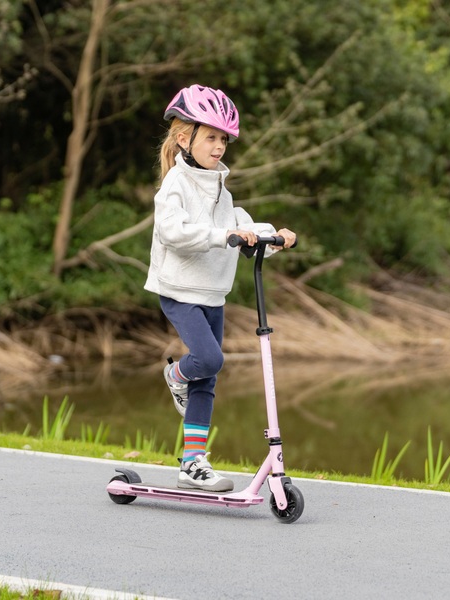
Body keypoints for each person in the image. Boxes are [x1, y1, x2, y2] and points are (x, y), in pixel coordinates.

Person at [144, 84, 296, 492]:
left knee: (207, 380)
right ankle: (175, 374)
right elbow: (173, 231)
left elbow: (240, 225)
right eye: (211, 136)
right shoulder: (175, 185)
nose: (219, 146)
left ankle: (192, 462)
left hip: (212, 293)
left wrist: (273, 236)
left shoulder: (221, 190)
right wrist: (222, 235)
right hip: (179, 291)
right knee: (209, 360)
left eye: (223, 139)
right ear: (184, 139)